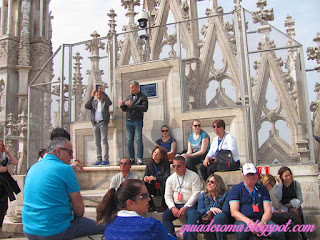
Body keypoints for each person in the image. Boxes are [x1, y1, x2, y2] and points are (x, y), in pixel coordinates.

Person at [22, 137, 105, 240]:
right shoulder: (65, 169)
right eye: (70, 152)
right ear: (58, 151)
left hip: (29, 230)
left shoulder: (33, 168)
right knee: (104, 227)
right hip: (53, 231)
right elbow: (79, 209)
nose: (72, 156)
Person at [96, 179, 175, 240]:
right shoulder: (151, 226)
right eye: (144, 196)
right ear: (130, 203)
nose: (149, 199)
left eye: (148, 195)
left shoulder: (109, 224)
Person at [229, 163, 285, 240]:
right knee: (242, 231)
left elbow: (268, 209)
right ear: (244, 176)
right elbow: (234, 211)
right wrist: (249, 222)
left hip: (260, 219)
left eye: (255, 173)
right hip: (244, 221)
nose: (254, 176)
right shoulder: (236, 189)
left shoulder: (263, 189)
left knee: (278, 231)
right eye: (250, 174)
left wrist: (263, 223)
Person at [162, 155, 201, 239]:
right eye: (174, 166)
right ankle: (171, 237)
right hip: (176, 205)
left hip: (190, 205)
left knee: (192, 215)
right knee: (165, 216)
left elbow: (196, 193)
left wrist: (186, 207)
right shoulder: (170, 178)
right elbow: (167, 195)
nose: (176, 168)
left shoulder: (193, 176)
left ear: (184, 165)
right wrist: (172, 207)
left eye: (178, 166)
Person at [261, 174, 299, 240]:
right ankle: (301, 235)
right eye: (272, 185)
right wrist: (275, 211)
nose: (272, 187)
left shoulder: (264, 191)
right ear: (267, 183)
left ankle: (297, 236)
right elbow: (264, 208)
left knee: (290, 224)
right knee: (291, 216)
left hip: (271, 212)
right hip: (267, 216)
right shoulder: (262, 191)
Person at [275, 166, 308, 240]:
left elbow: (300, 199)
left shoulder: (296, 184)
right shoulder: (279, 186)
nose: (288, 177)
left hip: (295, 205)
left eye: (289, 175)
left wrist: (292, 204)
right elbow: (278, 198)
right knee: (292, 213)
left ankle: (301, 235)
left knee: (295, 211)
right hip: (284, 206)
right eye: (285, 176)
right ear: (281, 177)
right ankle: (301, 235)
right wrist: (280, 184)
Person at [120, 81, 148, 165]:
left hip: (137, 121)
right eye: (130, 88)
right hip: (129, 121)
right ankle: (131, 158)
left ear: (137, 87)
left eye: (132, 87)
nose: (131, 89)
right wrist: (122, 106)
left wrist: (133, 105)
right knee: (129, 140)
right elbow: (126, 109)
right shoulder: (129, 97)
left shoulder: (142, 97)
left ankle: (139, 158)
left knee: (138, 139)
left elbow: (144, 108)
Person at [85, 84, 112, 166]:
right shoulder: (94, 102)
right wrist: (92, 96)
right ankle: (99, 159)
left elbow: (109, 102)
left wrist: (103, 93)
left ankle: (106, 159)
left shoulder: (104, 101)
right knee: (97, 142)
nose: (98, 93)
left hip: (103, 123)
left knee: (104, 141)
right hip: (95, 123)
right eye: (97, 92)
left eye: (99, 92)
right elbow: (87, 106)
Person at [197, 174, 230, 240]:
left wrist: (213, 212)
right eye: (208, 181)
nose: (209, 183)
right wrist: (210, 209)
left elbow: (226, 211)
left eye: (212, 182)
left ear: (218, 184)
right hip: (206, 221)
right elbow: (199, 210)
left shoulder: (225, 195)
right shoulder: (203, 195)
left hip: (220, 222)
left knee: (219, 217)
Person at [0, 140, 20, 239]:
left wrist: (7, 151)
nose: (0, 147)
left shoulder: (3, 158)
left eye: (1, 145)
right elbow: (2, 170)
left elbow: (15, 162)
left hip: (3, 187)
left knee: (3, 207)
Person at [143, 146, 170, 212]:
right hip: (153, 186)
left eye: (157, 154)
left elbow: (167, 176)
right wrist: (146, 178)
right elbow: (146, 174)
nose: (155, 155)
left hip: (162, 186)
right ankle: (151, 205)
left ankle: (164, 205)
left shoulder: (166, 163)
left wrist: (155, 178)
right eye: (154, 152)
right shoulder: (149, 164)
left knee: (164, 183)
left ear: (162, 156)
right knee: (144, 184)